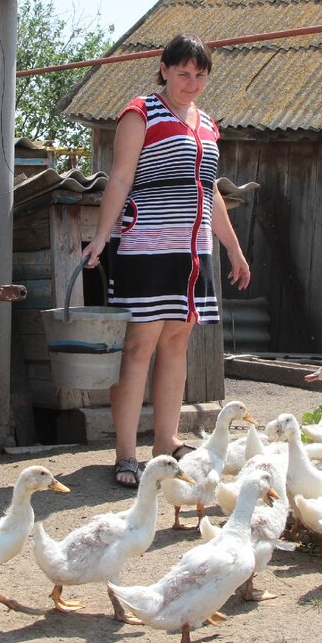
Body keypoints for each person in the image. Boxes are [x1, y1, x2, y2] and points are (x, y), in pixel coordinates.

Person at [82, 34, 251, 488]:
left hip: (193, 252)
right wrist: (101, 237)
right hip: (146, 247)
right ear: (163, 69)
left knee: (177, 345)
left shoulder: (207, 124)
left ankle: (165, 440)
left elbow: (209, 188)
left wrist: (233, 248)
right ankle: (124, 454)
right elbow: (119, 178)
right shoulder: (141, 113)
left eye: (199, 75)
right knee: (139, 349)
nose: (191, 83)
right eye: (183, 74)